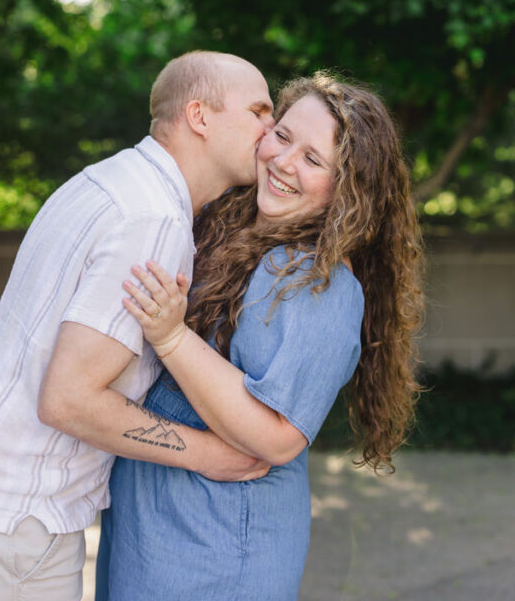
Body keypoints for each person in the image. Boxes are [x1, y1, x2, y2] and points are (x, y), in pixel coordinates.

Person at [0, 51, 275, 601]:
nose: (271, 130)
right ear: (200, 116)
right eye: (259, 111)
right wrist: (210, 455)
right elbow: (68, 401)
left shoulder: (110, 181)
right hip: (12, 524)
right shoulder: (152, 219)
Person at [96, 73, 425, 601]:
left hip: (217, 547)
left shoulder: (317, 283)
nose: (285, 162)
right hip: (152, 531)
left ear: (348, 191)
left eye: (315, 160)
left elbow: (277, 436)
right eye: (283, 136)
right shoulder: (227, 229)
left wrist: (172, 337)